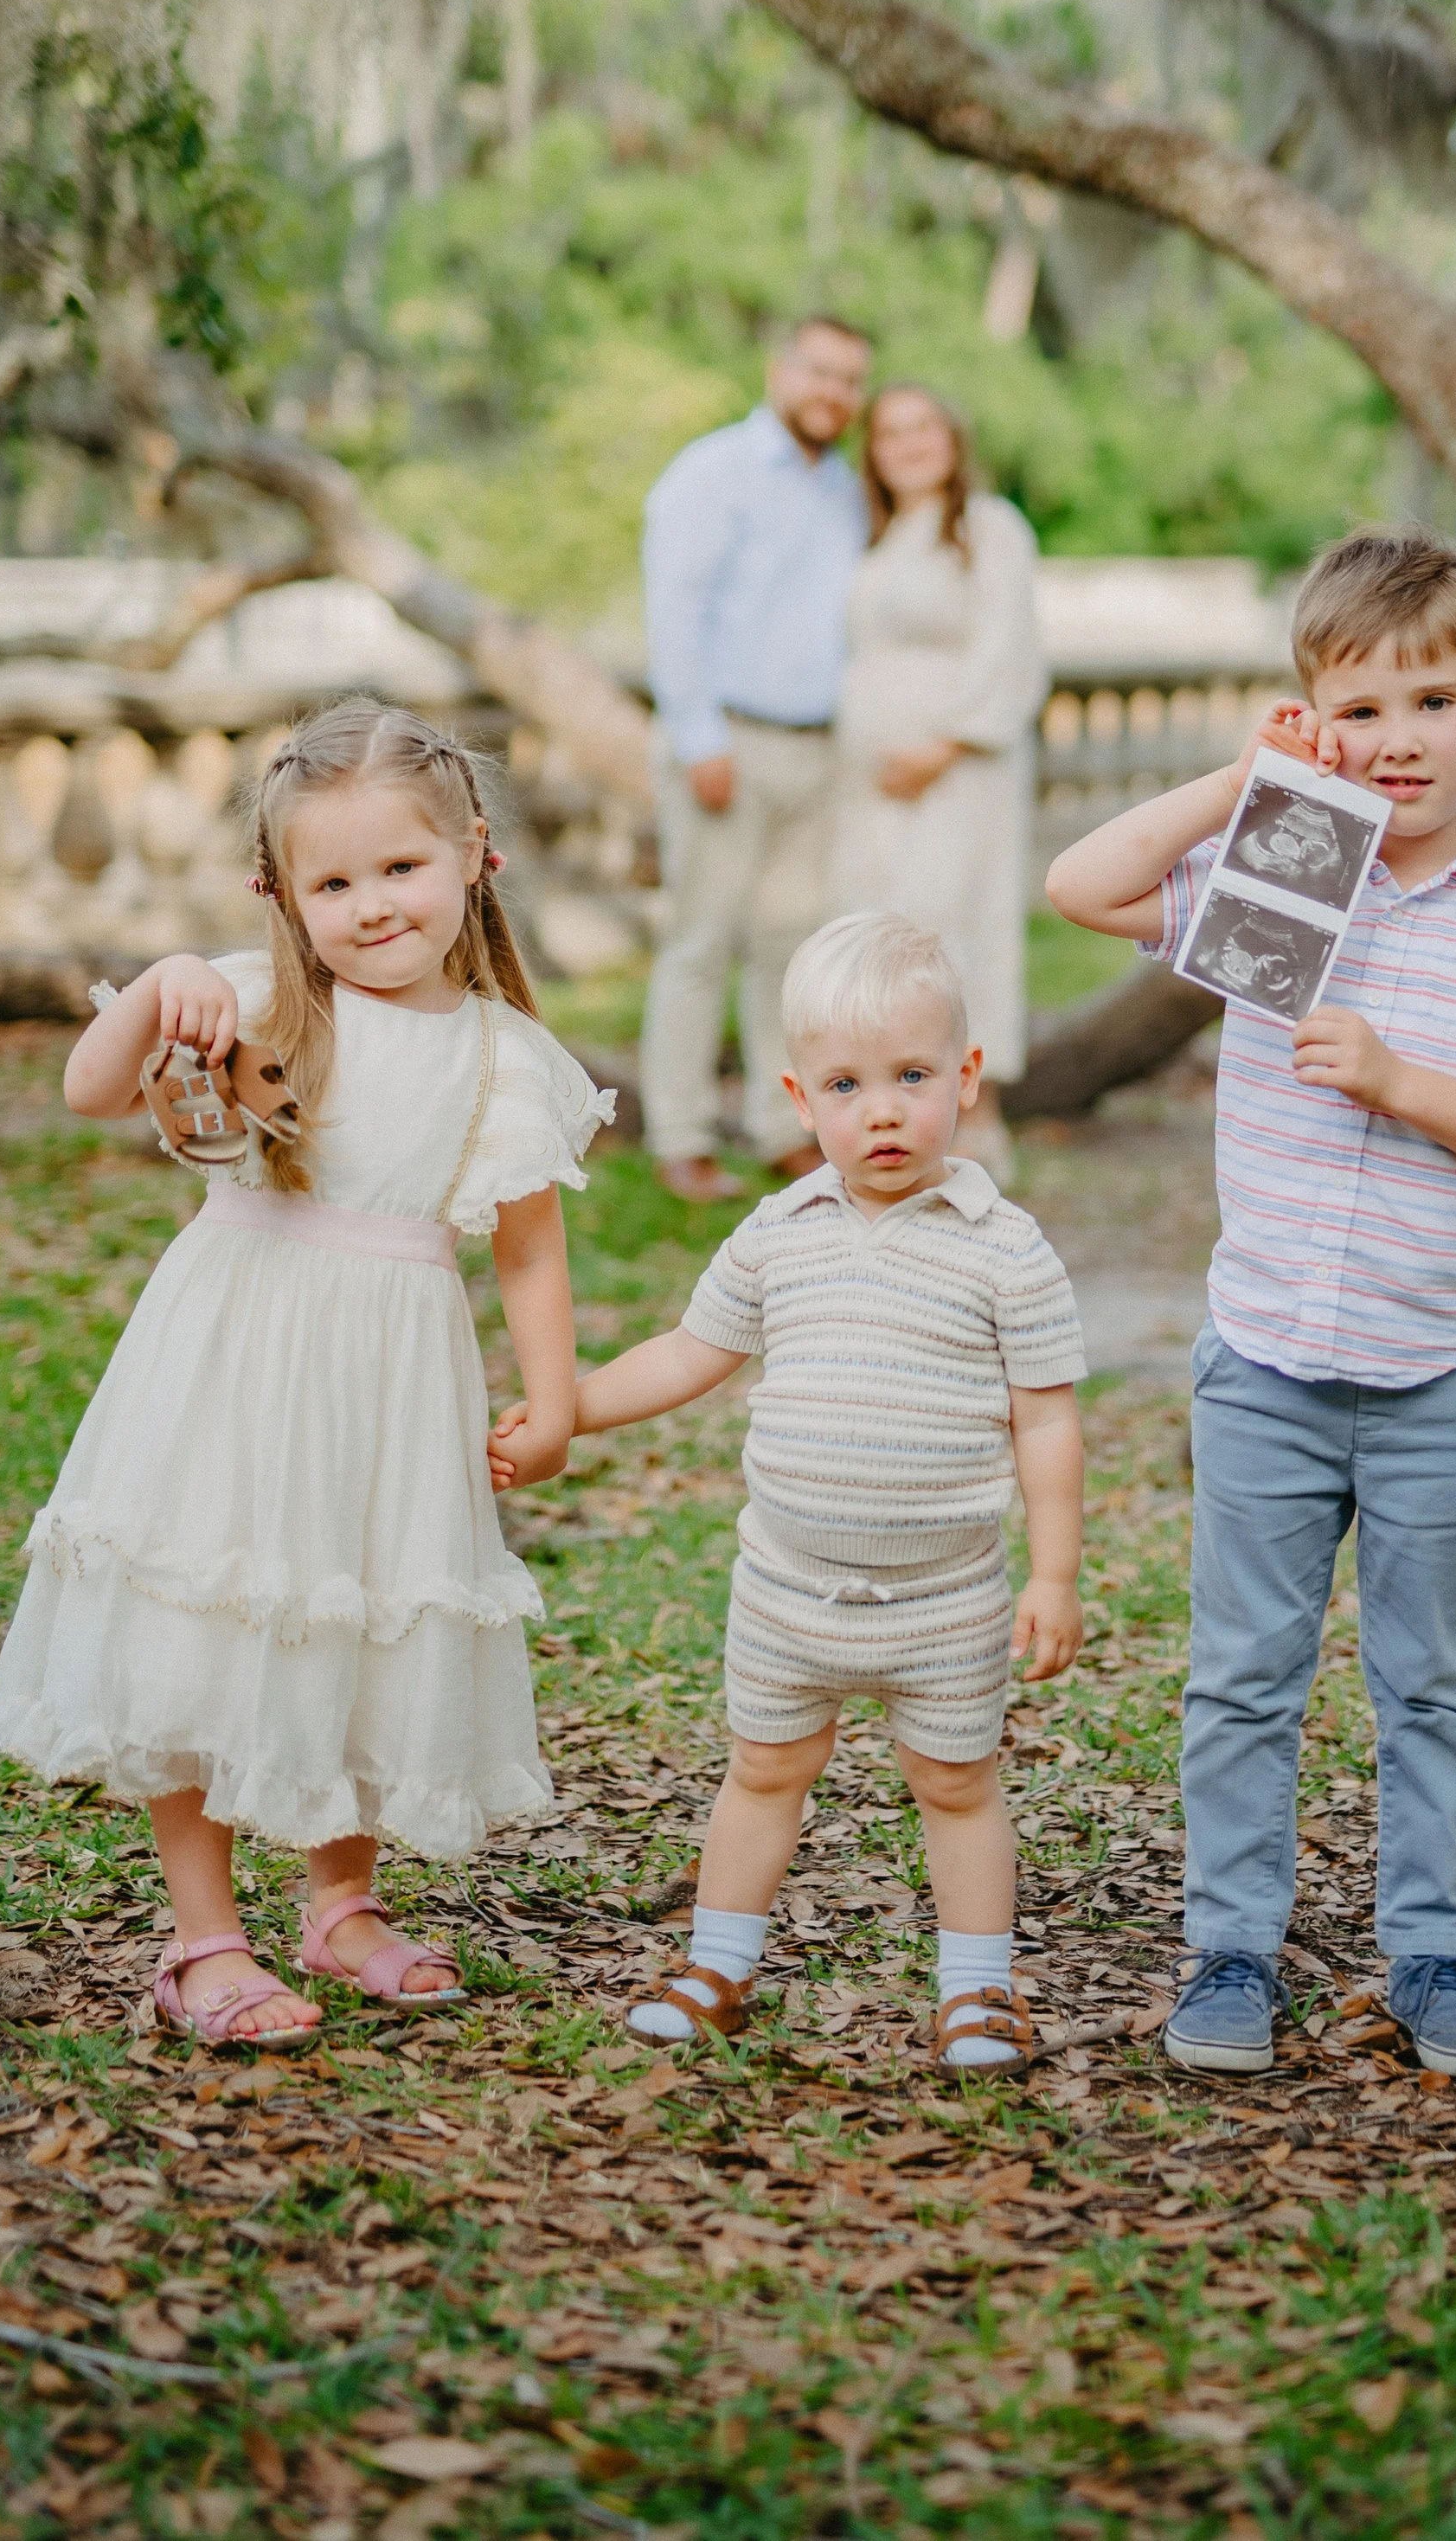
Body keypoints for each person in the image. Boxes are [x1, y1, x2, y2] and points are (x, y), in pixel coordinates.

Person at [1046, 528, 1456, 2085]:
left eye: (1431, 702)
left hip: (1443, 1369)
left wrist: (1399, 1079)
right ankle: (1231, 1946)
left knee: (1429, 1679)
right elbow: (1081, 886)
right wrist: (1249, 787)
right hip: (1272, 1360)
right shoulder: (1296, 872)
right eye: (1359, 711)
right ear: (1315, 716)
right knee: (1244, 1672)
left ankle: (1431, 1950)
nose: (1397, 741)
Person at [0, 699, 611, 2048]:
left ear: (474, 853)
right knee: (212, 1613)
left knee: (363, 1606)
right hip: (236, 1354)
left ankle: (342, 1902)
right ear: (281, 894)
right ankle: (205, 1938)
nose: (373, 904)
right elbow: (93, 1087)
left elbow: (531, 1250)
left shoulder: (508, 1057)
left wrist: (555, 1401)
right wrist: (157, 985)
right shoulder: (255, 1000)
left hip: (390, 1376)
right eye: (333, 881)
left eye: (400, 867)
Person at [493, 911, 1087, 2074]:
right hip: (788, 1586)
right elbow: (688, 1351)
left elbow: (1049, 1418)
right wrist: (569, 1407)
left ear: (965, 1079)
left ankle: (978, 1985)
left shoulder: (1004, 1247)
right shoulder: (780, 1231)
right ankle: (720, 1958)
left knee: (957, 1782)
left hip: (946, 1591)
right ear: (798, 1097)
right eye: (847, 1083)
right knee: (764, 1767)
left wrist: (1056, 1572)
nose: (882, 1109)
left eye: (913, 1076)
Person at [639, 316, 874, 1202]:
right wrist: (698, 736)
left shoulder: (845, 491)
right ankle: (681, 1135)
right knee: (700, 940)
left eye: (849, 380)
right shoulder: (711, 473)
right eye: (818, 372)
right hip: (727, 740)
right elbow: (675, 609)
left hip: (816, 752)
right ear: (779, 369)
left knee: (788, 946)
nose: (832, 393)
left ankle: (783, 1127)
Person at [832, 386, 1047, 1181]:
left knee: (956, 927)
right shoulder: (881, 539)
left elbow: (1008, 648)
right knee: (883, 934)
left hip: (958, 769)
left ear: (953, 438)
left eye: (923, 427)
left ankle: (975, 1114)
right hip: (870, 787)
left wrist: (942, 744)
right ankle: (898, 1114)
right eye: (890, 433)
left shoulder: (989, 530)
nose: (908, 444)